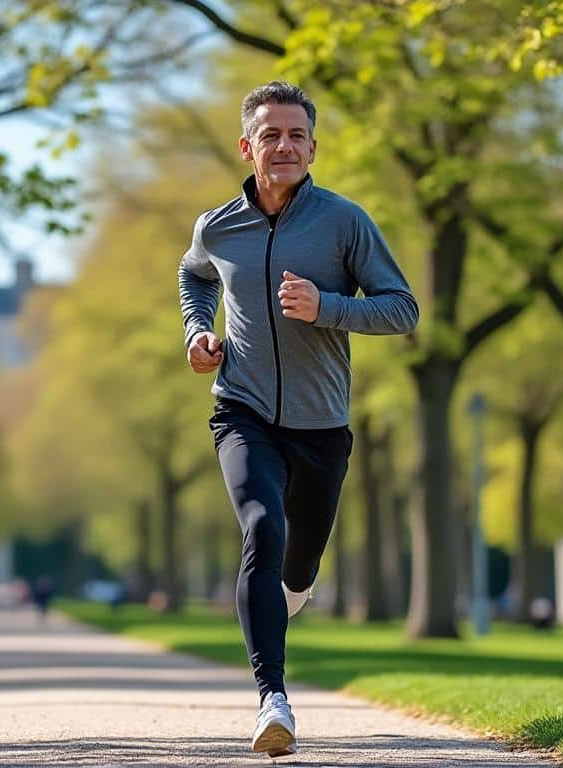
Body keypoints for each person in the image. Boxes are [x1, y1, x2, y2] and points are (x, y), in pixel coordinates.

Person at [178, 81, 418, 758]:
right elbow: (194, 274)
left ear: (313, 148)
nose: (283, 146)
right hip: (242, 410)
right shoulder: (217, 227)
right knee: (262, 525)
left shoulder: (344, 223)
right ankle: (272, 700)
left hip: (321, 426)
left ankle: (293, 588)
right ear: (246, 146)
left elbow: (402, 309)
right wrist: (198, 333)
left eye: (296, 136)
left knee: (298, 565)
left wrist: (328, 307)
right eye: (271, 135)